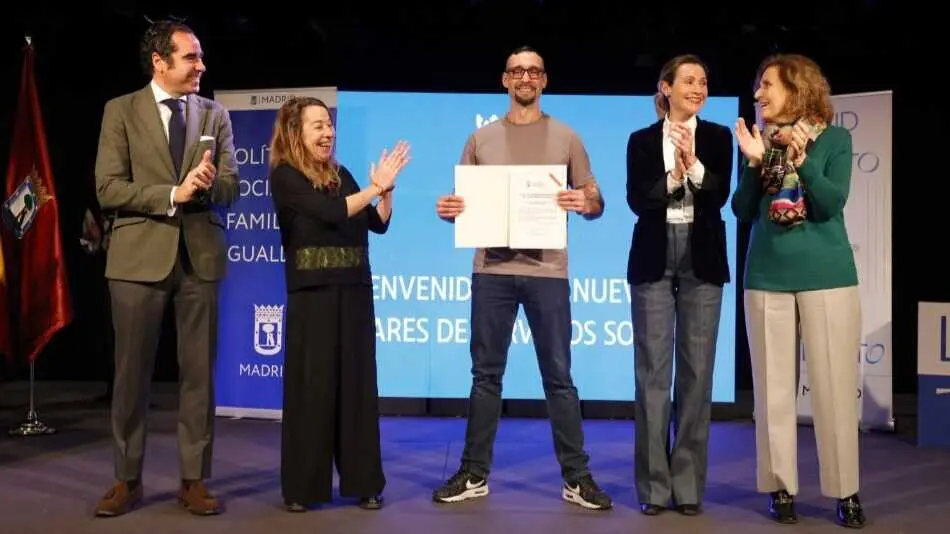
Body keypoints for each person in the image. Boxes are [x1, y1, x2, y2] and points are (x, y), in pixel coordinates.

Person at [432, 45, 612, 511]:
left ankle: (577, 477)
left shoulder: (567, 137)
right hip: (491, 270)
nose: (525, 77)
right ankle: (474, 473)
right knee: (485, 376)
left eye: (533, 70)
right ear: (505, 80)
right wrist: (451, 210)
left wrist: (585, 203)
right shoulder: (482, 140)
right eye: (517, 71)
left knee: (559, 378)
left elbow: (595, 200)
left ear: (544, 80)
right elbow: (463, 205)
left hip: (548, 271)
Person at [93, 20, 239, 517]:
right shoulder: (121, 111)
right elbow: (108, 189)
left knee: (199, 375)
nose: (201, 66)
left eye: (200, 57)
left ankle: (194, 481)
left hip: (200, 258)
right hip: (136, 261)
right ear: (160, 62)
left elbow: (233, 189)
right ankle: (126, 479)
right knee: (131, 376)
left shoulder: (214, 114)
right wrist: (171, 195)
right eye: (191, 57)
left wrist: (209, 181)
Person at [732, 53, 865, 529]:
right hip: (767, 278)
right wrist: (753, 163)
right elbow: (743, 210)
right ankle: (780, 486)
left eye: (767, 85)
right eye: (757, 87)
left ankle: (846, 492)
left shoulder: (834, 139)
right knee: (772, 392)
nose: (758, 95)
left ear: (798, 87)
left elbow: (830, 203)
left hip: (828, 276)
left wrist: (799, 160)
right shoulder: (757, 140)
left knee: (832, 391)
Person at [268, 96, 410, 512]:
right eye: (317, 126)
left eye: (329, 125)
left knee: (357, 390)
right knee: (312, 392)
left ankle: (364, 482)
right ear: (296, 133)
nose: (328, 132)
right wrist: (375, 187)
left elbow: (378, 224)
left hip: (354, 293)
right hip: (312, 297)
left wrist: (388, 192)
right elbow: (331, 213)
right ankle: (303, 488)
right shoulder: (286, 177)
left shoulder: (342, 174)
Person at [625, 54, 733, 517]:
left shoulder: (718, 136)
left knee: (697, 373)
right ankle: (653, 487)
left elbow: (721, 193)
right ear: (665, 88)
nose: (698, 88)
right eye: (688, 80)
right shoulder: (642, 140)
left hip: (701, 253)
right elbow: (636, 198)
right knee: (652, 373)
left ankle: (687, 486)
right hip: (654, 253)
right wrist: (671, 177)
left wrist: (696, 168)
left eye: (704, 82)